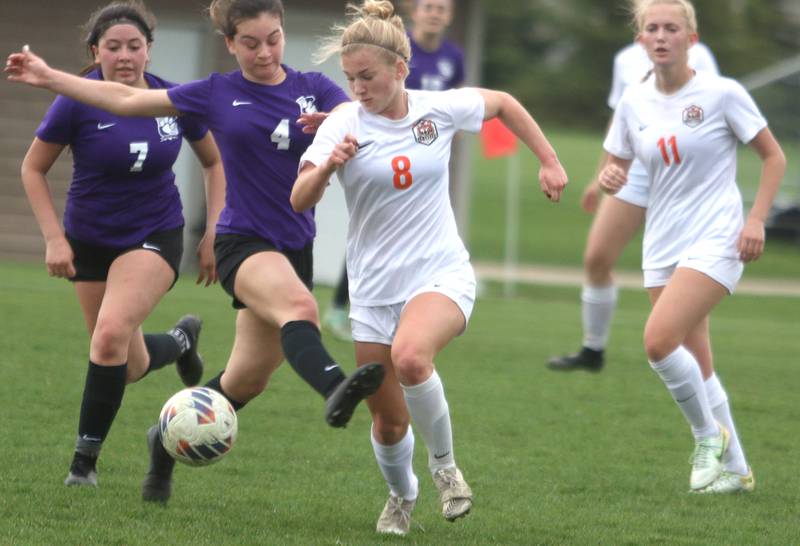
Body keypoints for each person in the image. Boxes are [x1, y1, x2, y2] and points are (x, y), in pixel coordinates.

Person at [6, 0, 386, 503]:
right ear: (230, 44)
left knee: (246, 381)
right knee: (301, 308)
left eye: (272, 38)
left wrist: (343, 124)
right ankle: (337, 386)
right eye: (250, 42)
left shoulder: (311, 89)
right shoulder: (213, 93)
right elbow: (122, 100)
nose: (264, 51)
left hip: (295, 246)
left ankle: (161, 444)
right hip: (242, 242)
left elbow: (356, 111)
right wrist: (50, 76)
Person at [292, 0, 567, 534]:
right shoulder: (342, 123)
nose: (358, 89)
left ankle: (445, 472)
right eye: (350, 78)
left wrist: (550, 161)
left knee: (413, 357)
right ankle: (401, 494)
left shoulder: (437, 109)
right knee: (388, 421)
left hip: (439, 273)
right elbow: (300, 199)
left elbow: (505, 105)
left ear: (400, 68)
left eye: (368, 76)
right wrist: (328, 163)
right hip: (372, 291)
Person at [14, 0, 226, 487]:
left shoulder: (174, 98)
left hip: (155, 233)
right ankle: (180, 341)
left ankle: (83, 465)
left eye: (135, 46)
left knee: (107, 336)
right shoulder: (74, 100)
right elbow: (32, 168)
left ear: (150, 51)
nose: (125, 55)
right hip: (88, 240)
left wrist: (215, 229)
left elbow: (214, 163)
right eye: (114, 47)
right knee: (124, 364)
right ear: (96, 52)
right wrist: (53, 239)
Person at [598, 0, 784, 493]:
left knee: (658, 342)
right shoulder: (633, 103)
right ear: (641, 41)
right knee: (698, 363)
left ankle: (708, 439)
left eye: (671, 28)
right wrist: (610, 175)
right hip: (662, 244)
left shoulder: (723, 94)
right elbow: (614, 164)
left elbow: (774, 157)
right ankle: (739, 471)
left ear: (691, 38)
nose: (661, 36)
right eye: (652, 29)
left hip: (718, 237)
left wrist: (756, 220)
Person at [547, 34, 718, 372]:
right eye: (651, 25)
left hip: (681, 174)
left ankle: (698, 368)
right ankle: (592, 350)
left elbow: (714, 114)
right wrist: (601, 176)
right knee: (597, 257)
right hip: (635, 172)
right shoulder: (626, 58)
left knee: (684, 273)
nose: (659, 32)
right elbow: (620, 122)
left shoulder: (699, 55)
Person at [322, 0, 465, 342]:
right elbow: (365, 97)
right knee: (377, 229)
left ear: (450, 16)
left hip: (424, 148)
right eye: (428, 6)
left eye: (441, 8)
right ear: (414, 13)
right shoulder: (395, 46)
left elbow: (456, 104)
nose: (434, 13)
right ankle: (342, 305)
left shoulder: (454, 57)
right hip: (385, 146)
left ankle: (423, 304)